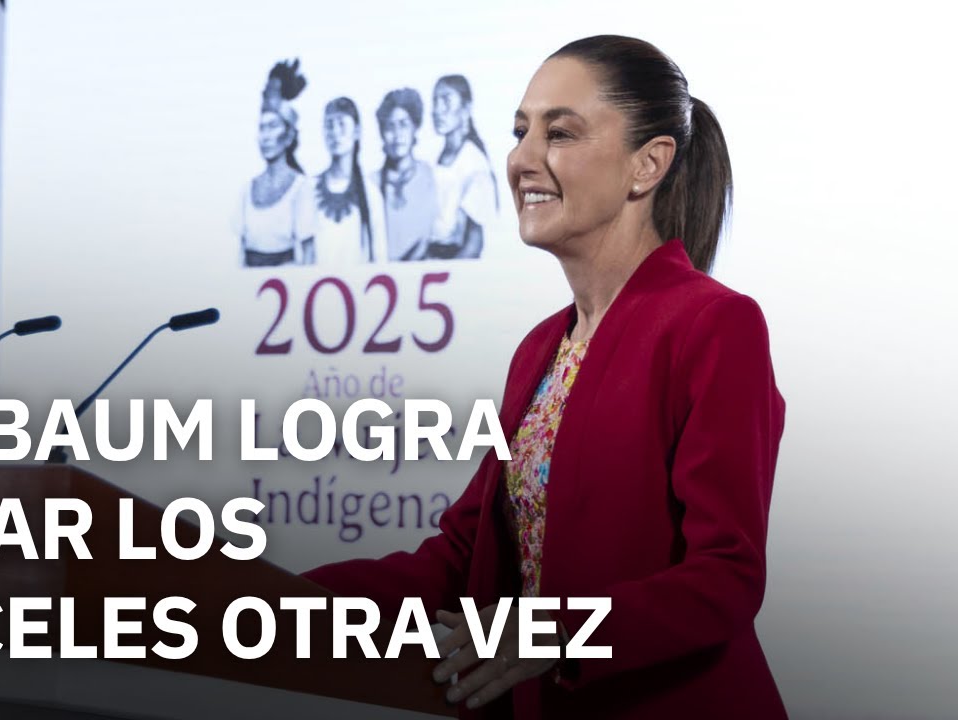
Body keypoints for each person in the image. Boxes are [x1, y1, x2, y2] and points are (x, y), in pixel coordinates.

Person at [304, 35, 787, 719]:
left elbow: (726, 577)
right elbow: (460, 561)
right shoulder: (539, 349)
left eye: (559, 133)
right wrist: (276, 597)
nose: (521, 160)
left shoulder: (715, 324)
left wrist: (554, 630)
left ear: (648, 164)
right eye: (520, 132)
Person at [235, 59, 316, 267]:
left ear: (288, 135)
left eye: (272, 127)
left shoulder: (300, 187)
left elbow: (308, 253)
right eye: (262, 128)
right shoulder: (247, 189)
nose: (266, 136)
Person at [426, 74, 500, 259]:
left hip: (453, 262)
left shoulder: (474, 164)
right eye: (435, 101)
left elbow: (474, 244)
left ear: (466, 109)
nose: (437, 110)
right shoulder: (435, 158)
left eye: (446, 101)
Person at [311, 97, 387, 265]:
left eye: (341, 124)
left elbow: (380, 258)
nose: (335, 132)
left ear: (357, 131)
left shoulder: (371, 193)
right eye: (329, 125)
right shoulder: (309, 189)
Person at [372, 88, 438, 261]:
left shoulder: (432, 176)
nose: (397, 135)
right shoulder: (371, 184)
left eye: (403, 124)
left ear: (414, 128)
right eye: (390, 127)